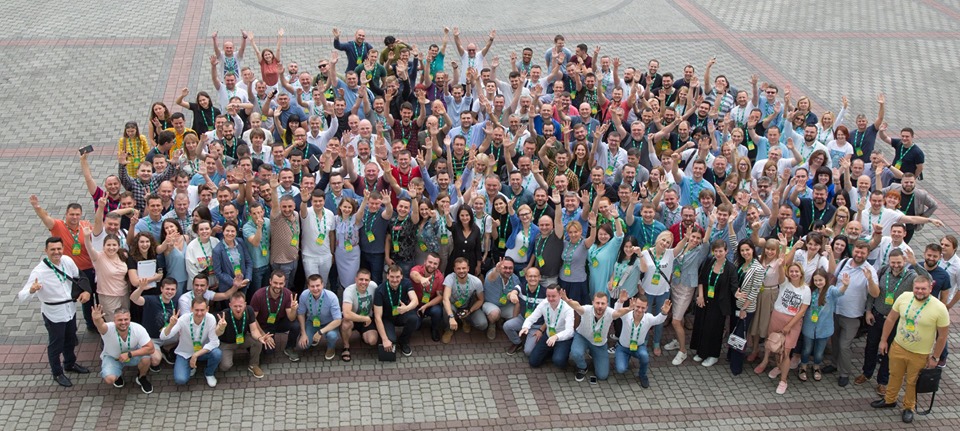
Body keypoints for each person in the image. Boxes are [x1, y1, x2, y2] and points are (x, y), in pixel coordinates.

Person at [871, 275, 950, 424]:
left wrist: (935, 357)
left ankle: (909, 407)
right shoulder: (904, 297)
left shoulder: (940, 308)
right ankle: (890, 400)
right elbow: (891, 319)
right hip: (898, 347)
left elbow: (942, 337)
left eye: (923, 289)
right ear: (913, 287)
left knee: (912, 382)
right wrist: (883, 340)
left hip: (920, 354)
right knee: (894, 375)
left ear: (930, 288)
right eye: (917, 288)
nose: (919, 291)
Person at [18, 237, 92, 387]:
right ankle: (57, 372)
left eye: (59, 249)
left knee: (70, 339)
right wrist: (32, 290)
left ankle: (70, 364)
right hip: (54, 314)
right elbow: (21, 296)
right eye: (52, 249)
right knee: (56, 344)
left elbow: (80, 277)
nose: (56, 252)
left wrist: (86, 291)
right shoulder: (39, 271)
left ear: (63, 249)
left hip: (70, 310)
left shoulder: (67, 261)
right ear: (46, 250)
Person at [755, 262, 812, 394]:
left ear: (801, 273)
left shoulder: (806, 289)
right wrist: (780, 264)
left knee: (786, 352)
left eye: (796, 271)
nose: (794, 274)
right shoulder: (785, 283)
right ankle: (778, 367)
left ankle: (783, 380)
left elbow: (802, 311)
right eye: (791, 271)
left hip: (793, 322)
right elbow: (780, 274)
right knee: (775, 345)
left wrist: (789, 326)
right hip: (777, 317)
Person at [564, 290, 633, 383]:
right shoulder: (587, 309)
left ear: (607, 304)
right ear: (593, 303)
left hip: (599, 343)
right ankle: (582, 367)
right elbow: (577, 306)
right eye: (597, 303)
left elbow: (619, 312)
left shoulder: (610, 312)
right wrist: (567, 300)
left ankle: (593, 353)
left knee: (602, 375)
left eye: (603, 303)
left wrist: (629, 308)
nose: (600, 306)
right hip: (583, 337)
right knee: (576, 353)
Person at [689, 239, 738, 367]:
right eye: (716, 251)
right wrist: (700, 295)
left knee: (714, 330)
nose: (718, 254)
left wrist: (738, 294)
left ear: (726, 251)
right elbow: (701, 279)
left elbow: (734, 286)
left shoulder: (730, 268)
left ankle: (713, 355)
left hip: (719, 304)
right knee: (702, 326)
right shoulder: (710, 261)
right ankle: (701, 352)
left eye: (720, 251)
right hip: (705, 300)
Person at [798, 269, 849, 383]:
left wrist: (845, 286)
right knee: (806, 349)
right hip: (809, 326)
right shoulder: (810, 290)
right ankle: (803, 367)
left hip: (824, 328)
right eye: (815, 280)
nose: (818, 282)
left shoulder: (830, 291)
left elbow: (839, 292)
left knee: (819, 352)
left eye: (820, 280)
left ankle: (816, 367)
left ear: (826, 279)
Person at [160, 296, 222, 387]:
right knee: (180, 379)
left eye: (202, 310)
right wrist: (171, 325)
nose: (199, 313)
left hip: (202, 352)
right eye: (196, 310)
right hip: (184, 353)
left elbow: (215, 342)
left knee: (217, 353)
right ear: (191, 309)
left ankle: (209, 373)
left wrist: (195, 355)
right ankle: (190, 366)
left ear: (207, 309)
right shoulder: (183, 319)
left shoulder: (210, 318)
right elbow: (163, 337)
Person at [613, 292, 672, 388]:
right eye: (638, 307)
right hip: (623, 347)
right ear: (634, 305)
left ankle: (642, 375)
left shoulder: (648, 318)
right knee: (621, 369)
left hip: (638, 346)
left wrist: (664, 312)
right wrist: (620, 301)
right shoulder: (626, 314)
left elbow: (658, 320)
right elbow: (616, 312)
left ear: (647, 308)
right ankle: (625, 357)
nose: (640, 310)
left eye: (643, 308)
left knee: (644, 356)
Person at [91, 305, 154, 393]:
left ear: (130, 319)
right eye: (120, 320)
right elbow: (100, 325)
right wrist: (97, 319)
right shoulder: (107, 329)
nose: (123, 322)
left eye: (126, 319)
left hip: (132, 355)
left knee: (146, 358)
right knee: (110, 379)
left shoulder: (138, 328)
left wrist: (130, 354)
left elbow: (151, 348)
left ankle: (141, 377)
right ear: (114, 320)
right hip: (113, 357)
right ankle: (117, 374)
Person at [216, 292, 274, 378]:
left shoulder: (249, 310)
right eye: (235, 306)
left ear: (245, 304)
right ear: (230, 305)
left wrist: (260, 337)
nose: (238, 309)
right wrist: (221, 327)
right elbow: (217, 333)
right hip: (227, 343)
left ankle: (253, 365)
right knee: (225, 366)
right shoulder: (224, 315)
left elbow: (254, 330)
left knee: (257, 341)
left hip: (243, 339)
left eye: (240, 306)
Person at [250, 271, 302, 362]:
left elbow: (291, 318)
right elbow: (252, 318)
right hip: (264, 325)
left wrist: (293, 310)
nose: (278, 286)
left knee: (296, 325)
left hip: (279, 322)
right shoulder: (258, 295)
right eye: (275, 283)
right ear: (270, 281)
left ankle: (289, 348)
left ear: (284, 283)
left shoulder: (288, 294)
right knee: (268, 352)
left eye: (281, 283)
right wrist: (263, 334)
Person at [519, 284, 574, 369]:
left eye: (553, 296)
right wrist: (525, 327)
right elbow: (532, 317)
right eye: (548, 296)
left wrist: (556, 337)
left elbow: (570, 331)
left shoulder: (567, 309)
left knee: (559, 361)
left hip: (563, 338)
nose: (550, 299)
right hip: (548, 335)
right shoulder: (544, 303)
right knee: (533, 362)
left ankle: (562, 352)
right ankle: (552, 351)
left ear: (560, 295)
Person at [373, 265, 420, 357]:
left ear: (401, 276)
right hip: (387, 318)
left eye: (397, 277)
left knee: (414, 319)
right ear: (387, 276)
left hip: (401, 314)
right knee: (391, 340)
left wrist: (406, 308)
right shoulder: (379, 290)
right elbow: (377, 317)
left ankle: (404, 340)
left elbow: (415, 301)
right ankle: (384, 335)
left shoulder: (406, 283)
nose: (395, 280)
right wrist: (385, 339)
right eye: (392, 277)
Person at [503, 266, 547, 356]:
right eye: (530, 276)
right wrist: (512, 295)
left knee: (528, 352)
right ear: (526, 277)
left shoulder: (545, 293)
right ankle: (517, 343)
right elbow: (513, 292)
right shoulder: (521, 287)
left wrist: (541, 330)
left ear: (539, 277)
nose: (532, 278)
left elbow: (550, 316)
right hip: (523, 319)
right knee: (507, 326)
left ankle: (535, 340)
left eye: (535, 276)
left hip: (537, 325)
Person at [296, 275, 342, 360]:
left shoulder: (331, 297)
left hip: (329, 323)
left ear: (322, 285)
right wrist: (303, 333)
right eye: (312, 286)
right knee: (302, 345)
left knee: (332, 336)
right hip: (312, 322)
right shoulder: (304, 295)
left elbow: (338, 320)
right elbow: (301, 314)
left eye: (318, 285)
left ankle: (331, 347)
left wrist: (320, 332)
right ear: (308, 286)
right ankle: (313, 338)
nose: (315, 289)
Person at [441, 257, 486, 343]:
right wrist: (451, 316)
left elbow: (481, 300)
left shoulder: (476, 281)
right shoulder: (449, 278)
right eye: (458, 268)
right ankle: (449, 329)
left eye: (464, 268)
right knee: (446, 308)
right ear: (454, 269)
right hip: (453, 306)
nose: (461, 271)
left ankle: (465, 319)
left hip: (468, 306)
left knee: (482, 324)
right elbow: (445, 298)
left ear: (468, 268)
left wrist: (470, 310)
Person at [340, 269, 379, 361]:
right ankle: (346, 346)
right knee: (345, 325)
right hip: (353, 319)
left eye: (366, 280)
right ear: (356, 279)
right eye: (361, 279)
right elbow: (346, 313)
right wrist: (365, 318)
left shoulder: (373, 286)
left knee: (372, 341)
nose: (363, 282)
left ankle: (363, 334)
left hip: (367, 318)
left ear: (370, 280)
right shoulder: (349, 290)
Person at [411, 253, 449, 342]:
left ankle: (434, 328)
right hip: (415, 304)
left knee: (437, 311)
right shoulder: (417, 269)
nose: (432, 265)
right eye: (430, 262)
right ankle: (419, 318)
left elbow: (440, 296)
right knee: (415, 326)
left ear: (438, 265)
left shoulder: (440, 277)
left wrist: (426, 306)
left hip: (429, 305)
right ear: (425, 261)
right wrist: (422, 279)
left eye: (435, 263)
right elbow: (413, 274)